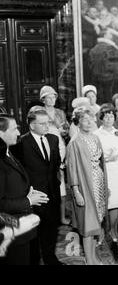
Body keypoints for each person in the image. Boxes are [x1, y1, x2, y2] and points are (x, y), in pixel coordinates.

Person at [11, 108, 64, 265]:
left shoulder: (53, 139)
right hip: (33, 196)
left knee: (52, 229)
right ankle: (34, 261)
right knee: (34, 232)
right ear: (32, 125)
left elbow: (55, 164)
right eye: (42, 123)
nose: (47, 126)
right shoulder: (20, 143)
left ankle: (50, 258)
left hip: (52, 193)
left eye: (48, 122)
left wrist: (56, 183)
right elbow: (17, 170)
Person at [0, 114, 48, 265]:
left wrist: (27, 192)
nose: (19, 133)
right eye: (14, 129)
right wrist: (28, 200)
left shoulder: (8, 153)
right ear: (1, 133)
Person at [66, 107, 107, 265]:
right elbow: (72, 169)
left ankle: (93, 256)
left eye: (91, 119)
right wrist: (76, 191)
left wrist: (105, 186)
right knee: (87, 224)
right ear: (77, 122)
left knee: (96, 221)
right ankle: (89, 260)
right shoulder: (74, 142)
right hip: (84, 186)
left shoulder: (95, 138)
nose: (89, 122)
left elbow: (100, 163)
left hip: (98, 184)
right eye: (85, 119)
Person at [94, 105, 118, 243]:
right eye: (106, 116)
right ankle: (101, 231)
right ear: (101, 118)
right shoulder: (96, 134)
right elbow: (94, 152)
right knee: (102, 201)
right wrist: (105, 157)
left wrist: (116, 154)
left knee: (115, 201)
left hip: (117, 169)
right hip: (103, 169)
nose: (109, 119)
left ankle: (113, 229)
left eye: (111, 116)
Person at [39, 86, 70, 226]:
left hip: (60, 148)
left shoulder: (60, 113)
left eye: (54, 97)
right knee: (47, 186)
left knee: (61, 185)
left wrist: (62, 131)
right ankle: (50, 218)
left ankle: (62, 217)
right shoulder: (39, 112)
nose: (52, 100)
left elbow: (67, 130)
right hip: (46, 149)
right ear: (43, 99)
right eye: (48, 97)